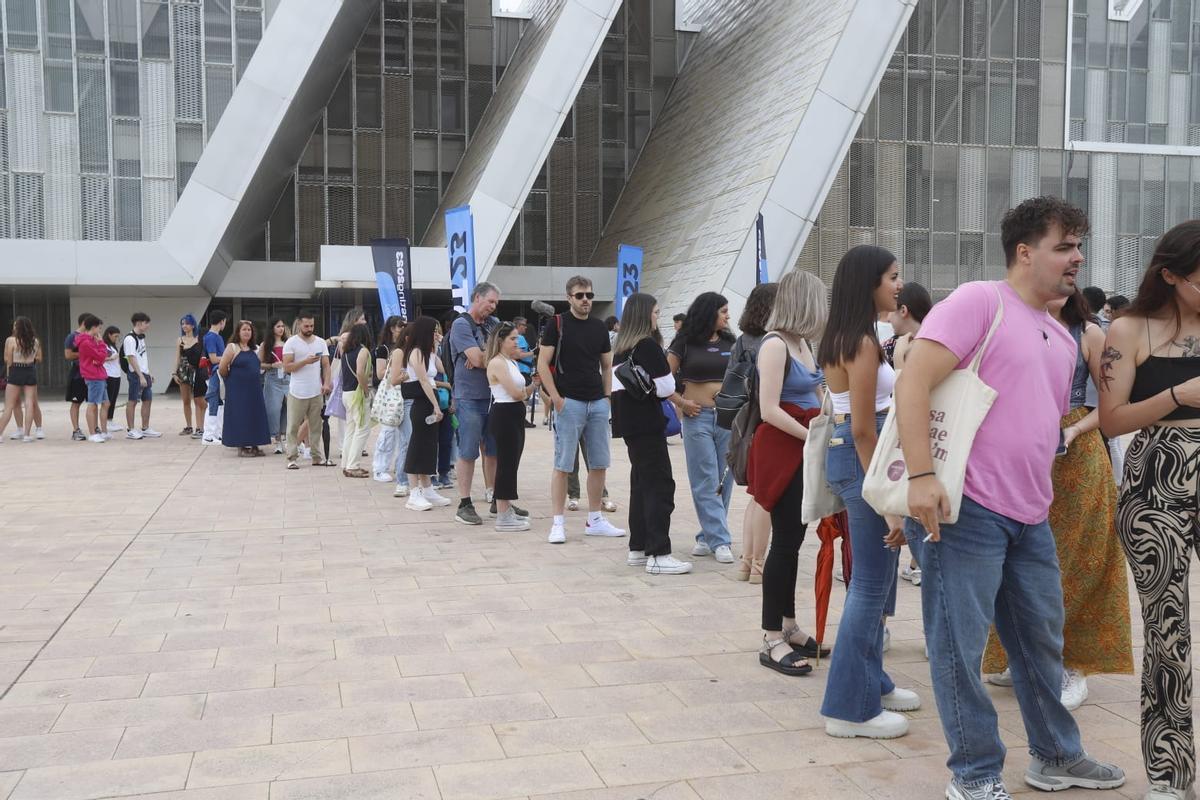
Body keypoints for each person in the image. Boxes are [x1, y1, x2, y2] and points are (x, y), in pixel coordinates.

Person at [897, 196, 1124, 798]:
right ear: (1025, 252)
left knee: (1041, 645)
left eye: (1079, 246)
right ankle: (973, 775)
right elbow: (915, 381)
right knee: (958, 649)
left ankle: (1055, 755)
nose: (1077, 257)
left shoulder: (1059, 331)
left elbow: (1040, 424)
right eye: (1063, 246)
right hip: (962, 509)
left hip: (1029, 516)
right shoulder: (980, 301)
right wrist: (921, 478)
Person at [982, 289, 1133, 710]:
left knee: (1076, 561)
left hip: (1076, 457)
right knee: (1017, 561)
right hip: (1021, 454)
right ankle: (1026, 653)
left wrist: (1071, 431)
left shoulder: (1088, 333)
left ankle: (1072, 664)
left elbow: (1111, 406)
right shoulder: (1014, 325)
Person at [1100, 219, 1200, 800]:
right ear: (1170, 274)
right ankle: (1168, 771)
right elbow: (1112, 420)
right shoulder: (1129, 328)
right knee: (1168, 630)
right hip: (1156, 473)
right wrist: (1177, 396)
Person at [817, 245, 919, 739]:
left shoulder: (853, 336)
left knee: (875, 584)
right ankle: (849, 708)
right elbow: (862, 428)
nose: (899, 285)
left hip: (859, 457)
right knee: (871, 586)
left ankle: (872, 681)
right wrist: (886, 501)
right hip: (864, 460)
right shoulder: (858, 342)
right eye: (892, 277)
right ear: (868, 283)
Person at [753, 271, 830, 674]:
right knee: (784, 543)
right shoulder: (775, 345)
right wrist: (812, 437)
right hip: (785, 450)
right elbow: (768, 410)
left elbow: (818, 393)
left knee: (794, 540)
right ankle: (771, 638)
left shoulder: (803, 343)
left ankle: (788, 625)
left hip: (803, 448)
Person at [538, 275, 623, 544]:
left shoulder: (599, 327)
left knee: (599, 463)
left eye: (589, 295)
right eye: (580, 295)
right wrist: (556, 398)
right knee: (563, 464)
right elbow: (542, 364)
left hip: (597, 401)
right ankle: (558, 523)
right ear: (569, 298)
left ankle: (595, 519)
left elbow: (607, 365)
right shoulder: (557, 324)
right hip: (569, 401)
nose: (586, 299)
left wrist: (607, 397)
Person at [611, 293, 691, 574]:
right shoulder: (647, 346)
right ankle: (659, 553)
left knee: (641, 485)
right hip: (647, 423)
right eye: (656, 311)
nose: (658, 316)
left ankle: (639, 547)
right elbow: (668, 387)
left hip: (630, 424)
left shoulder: (622, 348)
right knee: (660, 486)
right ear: (646, 314)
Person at [668, 292, 736, 563]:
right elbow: (661, 378)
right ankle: (721, 540)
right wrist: (681, 402)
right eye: (723, 311)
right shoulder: (684, 342)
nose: (728, 316)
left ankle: (707, 536)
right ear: (709, 313)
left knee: (724, 478)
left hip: (728, 417)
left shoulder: (732, 342)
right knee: (704, 478)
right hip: (698, 416)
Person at [727, 281, 779, 583]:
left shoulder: (742, 341)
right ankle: (758, 565)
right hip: (770, 422)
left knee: (755, 496)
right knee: (765, 497)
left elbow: (730, 385)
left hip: (745, 422)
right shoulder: (775, 342)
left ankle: (747, 562)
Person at [884, 281, 933, 587]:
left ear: (904, 310)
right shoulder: (937, 341)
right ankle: (917, 562)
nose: (888, 320)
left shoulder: (897, 347)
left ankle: (919, 561)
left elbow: (903, 395)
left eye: (891, 313)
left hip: (909, 440)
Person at [448, 282, 502, 525]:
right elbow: (479, 359)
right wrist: (484, 356)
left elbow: (505, 353)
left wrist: (482, 355)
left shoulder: (494, 324)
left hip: (493, 396)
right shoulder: (461, 325)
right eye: (490, 301)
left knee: (493, 450)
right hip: (469, 396)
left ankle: (493, 494)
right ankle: (465, 502)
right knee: (468, 450)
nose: (493, 306)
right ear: (477, 297)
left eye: (495, 303)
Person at [487, 322, 536, 531]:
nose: (518, 342)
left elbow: (523, 392)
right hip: (505, 413)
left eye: (517, 338)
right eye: (513, 339)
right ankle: (502, 514)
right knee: (506, 464)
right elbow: (517, 393)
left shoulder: (511, 362)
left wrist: (531, 386)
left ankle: (506, 509)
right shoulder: (497, 363)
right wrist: (530, 388)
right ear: (501, 341)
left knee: (511, 463)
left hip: (514, 413)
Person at [401, 317, 451, 509]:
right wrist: (436, 407)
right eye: (433, 331)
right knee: (417, 445)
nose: (436, 334)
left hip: (432, 398)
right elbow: (423, 381)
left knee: (430, 446)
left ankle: (428, 488)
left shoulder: (428, 353)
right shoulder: (415, 352)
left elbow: (441, 368)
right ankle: (414, 492)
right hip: (423, 402)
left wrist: (437, 346)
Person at [283, 311, 332, 469]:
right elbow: (287, 367)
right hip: (297, 391)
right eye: (306, 326)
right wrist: (305, 361)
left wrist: (327, 383)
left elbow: (326, 365)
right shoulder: (291, 342)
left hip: (316, 391)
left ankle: (317, 456)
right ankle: (291, 457)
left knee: (316, 425)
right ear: (299, 324)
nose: (309, 328)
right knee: (292, 426)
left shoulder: (320, 342)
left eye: (312, 325)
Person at [218, 320, 270, 457]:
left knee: (254, 414)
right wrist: (231, 380)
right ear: (238, 332)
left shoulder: (255, 349)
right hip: (237, 389)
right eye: (244, 329)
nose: (247, 332)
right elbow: (222, 367)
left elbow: (259, 365)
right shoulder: (232, 347)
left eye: (249, 330)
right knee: (239, 415)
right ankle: (241, 447)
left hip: (254, 389)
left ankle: (254, 444)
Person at [373, 318, 409, 483]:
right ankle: (380, 468)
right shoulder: (384, 349)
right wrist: (394, 365)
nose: (403, 329)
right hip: (391, 394)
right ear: (392, 328)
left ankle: (398, 465)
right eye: (400, 326)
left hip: (404, 393)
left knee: (402, 435)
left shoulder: (406, 348)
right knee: (388, 432)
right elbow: (380, 374)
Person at [338, 322, 375, 478]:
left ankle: (346, 464)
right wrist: (366, 390)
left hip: (346, 393)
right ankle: (353, 466)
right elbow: (360, 372)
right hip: (358, 394)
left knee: (351, 430)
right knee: (362, 430)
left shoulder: (346, 351)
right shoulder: (363, 351)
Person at [0, 317, 43, 442]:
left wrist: (8, 376)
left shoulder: (12, 340)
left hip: (16, 371)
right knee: (30, 403)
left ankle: (0, 434)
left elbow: (8, 360)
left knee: (9, 406)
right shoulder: (35, 341)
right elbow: (39, 358)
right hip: (30, 370)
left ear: (17, 327)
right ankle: (27, 435)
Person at [123, 312, 161, 439]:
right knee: (133, 401)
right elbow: (131, 358)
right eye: (146, 323)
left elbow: (142, 357)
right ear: (139, 323)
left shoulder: (141, 338)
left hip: (144, 373)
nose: (148, 326)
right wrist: (140, 376)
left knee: (147, 400)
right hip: (135, 374)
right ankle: (131, 429)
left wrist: (148, 373)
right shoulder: (129, 338)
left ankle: (145, 428)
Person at [170, 314, 207, 438]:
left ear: (193, 325)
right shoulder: (180, 340)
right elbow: (177, 358)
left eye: (186, 323)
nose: (184, 326)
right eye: (182, 323)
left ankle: (200, 427)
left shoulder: (199, 339)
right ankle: (189, 426)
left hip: (197, 371)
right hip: (184, 371)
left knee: (198, 399)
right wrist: (174, 373)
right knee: (186, 400)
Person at [76, 315, 111, 443]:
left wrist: (99, 347)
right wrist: (101, 343)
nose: (100, 331)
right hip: (93, 376)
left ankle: (103, 431)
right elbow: (101, 356)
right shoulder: (85, 342)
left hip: (99, 374)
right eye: (99, 328)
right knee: (92, 404)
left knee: (105, 403)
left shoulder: (91, 340)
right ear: (94, 327)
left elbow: (101, 356)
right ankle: (92, 433)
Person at [260, 318, 290, 454]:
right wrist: (272, 365)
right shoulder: (266, 345)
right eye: (278, 326)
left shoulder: (289, 343)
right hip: (273, 378)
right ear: (272, 328)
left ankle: (284, 438)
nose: (281, 329)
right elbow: (259, 363)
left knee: (289, 409)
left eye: (282, 326)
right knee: (274, 409)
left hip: (288, 377)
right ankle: (277, 440)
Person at [201, 310, 228, 444]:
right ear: (222, 321)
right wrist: (228, 357)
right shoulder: (212, 337)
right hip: (214, 373)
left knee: (219, 402)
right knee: (213, 401)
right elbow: (212, 358)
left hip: (218, 373)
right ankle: (208, 435)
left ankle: (216, 433)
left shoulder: (216, 337)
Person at [64, 312, 88, 441]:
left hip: (91, 374)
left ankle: (95, 428)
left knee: (93, 403)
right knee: (76, 403)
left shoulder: (92, 336)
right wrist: (84, 354)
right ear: (84, 323)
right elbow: (68, 355)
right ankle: (76, 430)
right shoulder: (72, 336)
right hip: (78, 374)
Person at [513, 316, 537, 428]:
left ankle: (519, 418)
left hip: (520, 370)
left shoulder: (514, 338)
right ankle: (521, 419)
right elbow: (519, 354)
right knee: (525, 395)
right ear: (518, 326)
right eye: (523, 325)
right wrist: (534, 353)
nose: (525, 327)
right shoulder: (520, 338)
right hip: (523, 370)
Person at [102, 326, 124, 431]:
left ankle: (110, 420)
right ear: (109, 335)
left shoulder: (113, 346)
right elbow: (101, 358)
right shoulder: (104, 345)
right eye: (115, 336)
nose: (116, 338)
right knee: (109, 399)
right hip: (109, 375)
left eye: (118, 337)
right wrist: (111, 358)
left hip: (116, 374)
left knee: (114, 398)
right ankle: (106, 421)